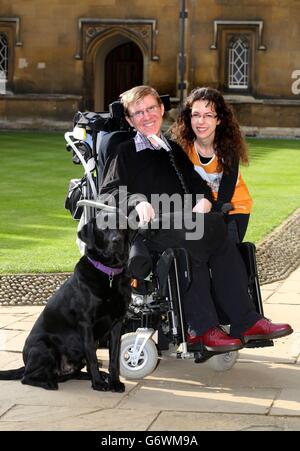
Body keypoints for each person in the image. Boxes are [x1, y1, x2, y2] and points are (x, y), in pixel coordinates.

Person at [100, 85, 293, 350]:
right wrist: (137, 201)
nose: (146, 116)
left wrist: (203, 198)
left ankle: (244, 322)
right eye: (138, 112)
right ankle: (203, 330)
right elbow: (108, 193)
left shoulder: (172, 150)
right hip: (147, 229)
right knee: (203, 235)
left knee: (216, 234)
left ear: (161, 109)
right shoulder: (124, 150)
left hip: (182, 224)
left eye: (151, 109)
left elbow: (197, 185)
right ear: (130, 119)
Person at [170, 87, 252, 242]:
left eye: (208, 115)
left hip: (233, 207)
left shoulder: (229, 150)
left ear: (219, 119)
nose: (201, 121)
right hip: (200, 207)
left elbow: (224, 197)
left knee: (224, 253)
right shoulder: (183, 148)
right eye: (196, 115)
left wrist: (205, 208)